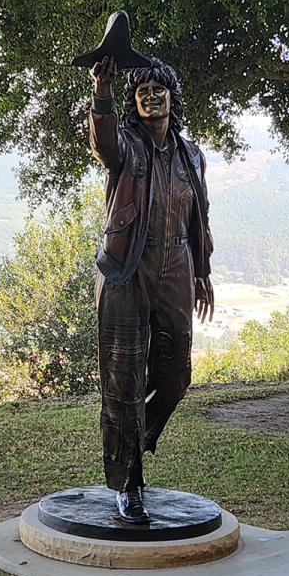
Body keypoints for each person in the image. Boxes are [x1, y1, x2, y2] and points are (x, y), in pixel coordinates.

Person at [88, 55, 214, 523]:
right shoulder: (127, 147)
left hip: (177, 269)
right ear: (133, 102)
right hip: (127, 271)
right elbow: (103, 142)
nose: (149, 94)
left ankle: (132, 443)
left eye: (158, 88)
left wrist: (202, 271)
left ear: (171, 97)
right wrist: (102, 91)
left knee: (175, 376)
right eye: (140, 90)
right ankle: (129, 482)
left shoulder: (191, 156)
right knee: (124, 381)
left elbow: (199, 214)